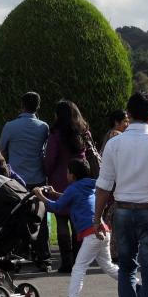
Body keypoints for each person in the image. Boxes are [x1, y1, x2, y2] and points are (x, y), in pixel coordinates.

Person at [93, 92, 148, 297]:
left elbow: (104, 185)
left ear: (128, 115)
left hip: (123, 210)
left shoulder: (115, 144)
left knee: (126, 267)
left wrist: (97, 216)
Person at [34, 158, 117, 297]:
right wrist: (54, 193)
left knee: (79, 267)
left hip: (92, 234)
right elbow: (71, 198)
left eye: (67, 172)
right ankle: (137, 285)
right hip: (103, 231)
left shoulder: (73, 189)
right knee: (108, 266)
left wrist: (40, 196)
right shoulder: (90, 185)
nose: (66, 174)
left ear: (73, 175)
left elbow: (57, 207)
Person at [0, 92, 51, 265]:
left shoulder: (10, 126)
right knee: (40, 216)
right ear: (38, 106)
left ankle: (22, 251)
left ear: (22, 105)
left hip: (17, 179)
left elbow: (3, 150)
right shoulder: (43, 127)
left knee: (18, 216)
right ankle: (43, 254)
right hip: (37, 176)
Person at [44, 100, 94, 273]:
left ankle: (66, 261)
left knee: (61, 219)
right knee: (76, 220)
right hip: (79, 178)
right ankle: (80, 259)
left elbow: (50, 159)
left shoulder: (56, 133)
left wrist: (46, 172)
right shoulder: (83, 131)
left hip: (60, 177)